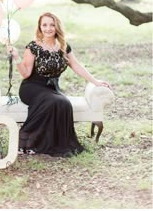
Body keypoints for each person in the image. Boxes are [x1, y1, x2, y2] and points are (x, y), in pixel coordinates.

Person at [7, 12, 110, 158]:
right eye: (44, 25)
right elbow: (25, 74)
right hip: (32, 87)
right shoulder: (33, 46)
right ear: (40, 27)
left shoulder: (63, 46)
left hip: (51, 89)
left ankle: (43, 143)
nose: (48, 28)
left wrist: (95, 81)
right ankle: (24, 139)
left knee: (64, 103)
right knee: (56, 101)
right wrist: (16, 57)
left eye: (52, 24)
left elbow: (76, 66)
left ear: (57, 27)